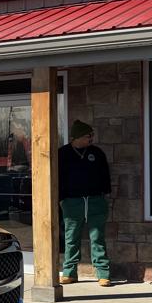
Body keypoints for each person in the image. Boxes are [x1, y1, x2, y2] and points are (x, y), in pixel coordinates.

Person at [58, 119, 112, 287]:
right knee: (71, 238)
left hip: (96, 201)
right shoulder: (62, 153)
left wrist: (105, 195)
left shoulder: (96, 153)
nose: (91, 138)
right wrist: (61, 199)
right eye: (88, 135)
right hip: (72, 203)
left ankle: (103, 273)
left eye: (91, 135)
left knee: (98, 238)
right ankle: (69, 273)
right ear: (78, 137)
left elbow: (105, 175)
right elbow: (56, 178)